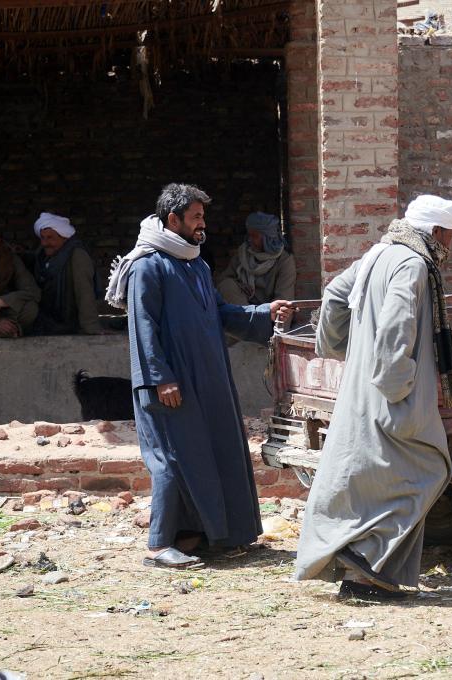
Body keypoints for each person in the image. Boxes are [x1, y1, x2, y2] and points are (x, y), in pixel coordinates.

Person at [104, 183, 291, 570]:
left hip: (208, 381)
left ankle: (199, 536)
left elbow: (222, 313)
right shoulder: (147, 266)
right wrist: (160, 378)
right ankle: (158, 546)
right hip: (169, 385)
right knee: (172, 459)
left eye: (202, 217)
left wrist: (263, 313)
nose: (202, 224)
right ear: (173, 220)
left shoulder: (196, 264)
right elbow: (143, 328)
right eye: (196, 217)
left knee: (211, 455)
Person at [294, 194, 452, 600]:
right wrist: (397, 386)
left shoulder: (380, 253)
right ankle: (367, 558)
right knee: (428, 468)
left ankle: (365, 575)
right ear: (437, 232)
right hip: (392, 395)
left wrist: (342, 349)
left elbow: (335, 293)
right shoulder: (413, 264)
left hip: (362, 388)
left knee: (375, 479)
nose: (451, 246)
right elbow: (396, 327)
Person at [30, 212, 103, 335]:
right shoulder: (42, 255)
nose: (44, 243)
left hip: (69, 320)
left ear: (64, 237)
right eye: (42, 237)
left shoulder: (77, 256)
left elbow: (84, 292)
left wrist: (91, 327)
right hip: (48, 320)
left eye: (50, 238)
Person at [216, 211, 296, 306]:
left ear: (267, 238)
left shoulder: (284, 260)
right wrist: (238, 284)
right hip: (243, 308)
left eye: (254, 236)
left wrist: (268, 314)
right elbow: (222, 279)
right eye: (249, 235)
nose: (250, 240)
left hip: (269, 312)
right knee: (227, 285)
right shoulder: (243, 252)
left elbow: (284, 297)